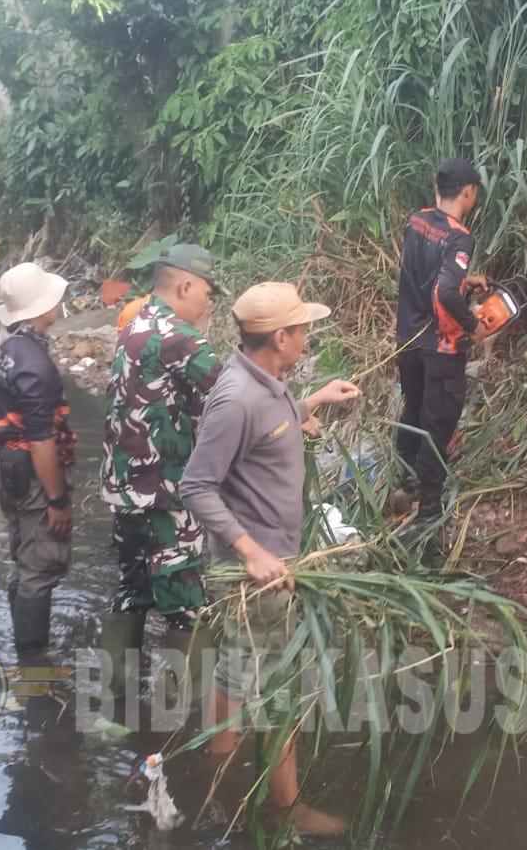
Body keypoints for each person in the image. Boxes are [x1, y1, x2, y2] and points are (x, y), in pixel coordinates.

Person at [181, 282, 362, 836]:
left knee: (236, 667)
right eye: (303, 329)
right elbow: (196, 485)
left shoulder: (265, 382)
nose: (308, 336)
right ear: (280, 337)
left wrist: (314, 401)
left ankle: (218, 767)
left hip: (269, 562)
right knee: (282, 685)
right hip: (258, 573)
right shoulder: (237, 398)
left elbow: (267, 429)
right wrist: (253, 553)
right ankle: (286, 809)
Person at [99, 245, 224, 663]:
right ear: (186, 286)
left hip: (124, 489)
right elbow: (234, 396)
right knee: (186, 605)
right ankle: (195, 702)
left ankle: (114, 697)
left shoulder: (134, 323)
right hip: (164, 494)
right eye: (207, 293)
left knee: (131, 591)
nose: (208, 303)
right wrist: (298, 412)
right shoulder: (178, 336)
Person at [394, 157, 494, 548]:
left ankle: (402, 483)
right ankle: (429, 514)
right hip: (440, 348)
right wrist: (474, 326)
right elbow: (445, 291)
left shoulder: (416, 221)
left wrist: (463, 280)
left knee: (413, 411)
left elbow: (426, 276)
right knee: (437, 429)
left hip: (408, 341)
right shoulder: (459, 238)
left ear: (438, 189)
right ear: (468, 192)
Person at [0, 262, 78, 657]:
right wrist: (57, 500)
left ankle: (23, 651)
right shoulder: (34, 365)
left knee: (24, 561)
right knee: (40, 566)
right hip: (35, 477)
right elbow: (41, 441)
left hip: (8, 471)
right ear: (42, 306)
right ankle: (33, 662)